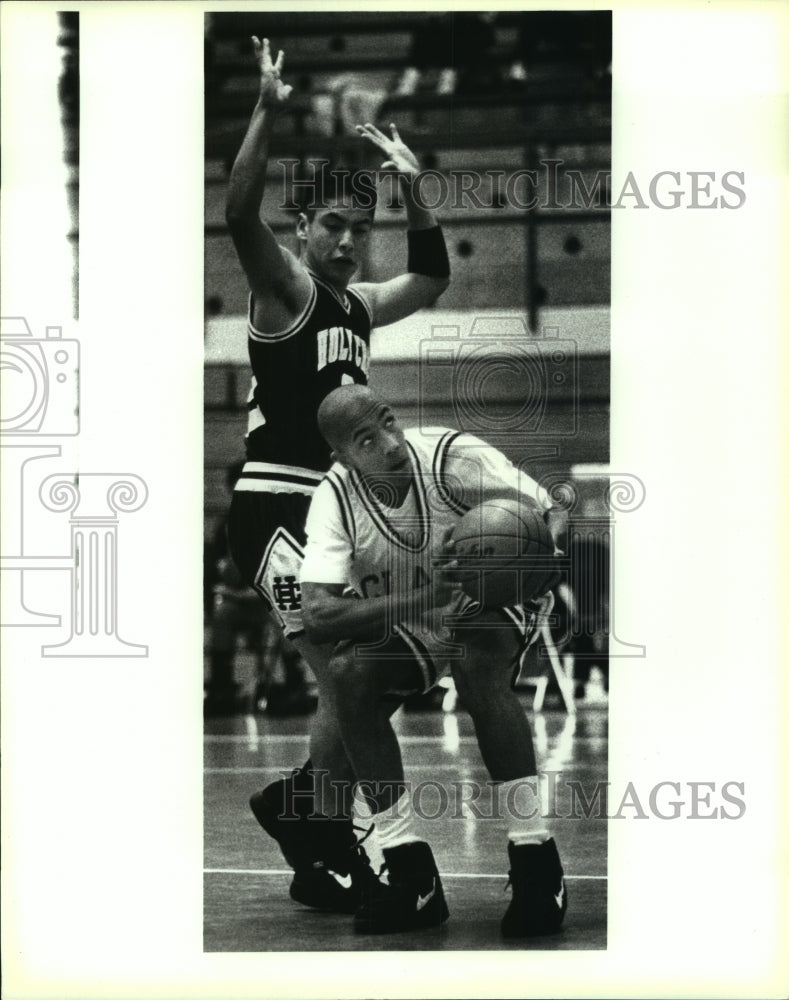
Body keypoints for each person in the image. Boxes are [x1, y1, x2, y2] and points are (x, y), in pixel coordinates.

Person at [222, 37, 450, 912]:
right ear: (304, 231)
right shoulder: (286, 290)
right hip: (274, 506)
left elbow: (429, 276)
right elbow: (240, 213)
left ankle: (305, 822)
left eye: (361, 229)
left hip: (324, 512)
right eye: (335, 227)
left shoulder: (358, 306)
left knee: (363, 673)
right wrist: (267, 108)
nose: (351, 242)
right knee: (350, 664)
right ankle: (312, 819)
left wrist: (415, 188)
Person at [298, 384, 568, 937]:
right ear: (343, 457)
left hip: (488, 599)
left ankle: (535, 856)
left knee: (474, 662)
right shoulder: (335, 498)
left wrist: (523, 563)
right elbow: (319, 614)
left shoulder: (452, 458)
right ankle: (409, 870)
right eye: (366, 440)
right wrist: (426, 598)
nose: (389, 443)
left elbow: (551, 515)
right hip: (418, 610)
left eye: (388, 422)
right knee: (348, 673)